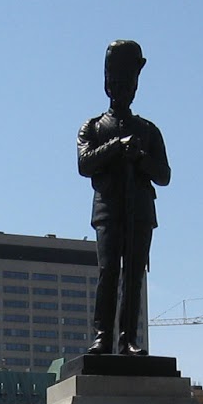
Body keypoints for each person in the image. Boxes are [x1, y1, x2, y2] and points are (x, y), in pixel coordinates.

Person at [77, 40, 170, 355]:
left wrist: (140, 157)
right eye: (115, 84)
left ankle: (128, 337)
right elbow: (85, 163)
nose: (121, 90)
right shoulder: (92, 127)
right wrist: (116, 147)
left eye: (127, 85)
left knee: (133, 274)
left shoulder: (148, 129)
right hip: (107, 209)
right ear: (107, 86)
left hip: (140, 211)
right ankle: (103, 335)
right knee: (108, 272)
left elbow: (164, 174)